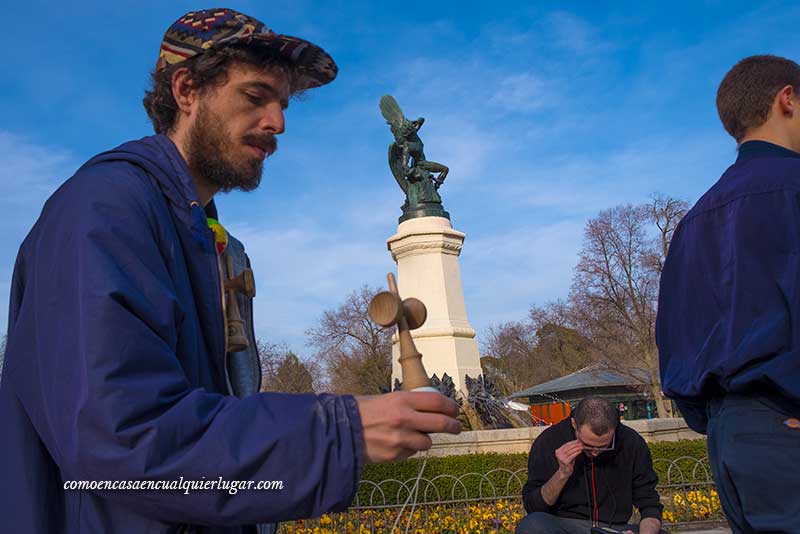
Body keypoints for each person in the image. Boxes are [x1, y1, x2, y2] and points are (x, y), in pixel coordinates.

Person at [0, 8, 461, 534]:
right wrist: (340, 431)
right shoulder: (103, 210)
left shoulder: (207, 237)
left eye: (283, 104)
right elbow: (122, 438)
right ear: (186, 91)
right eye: (255, 95)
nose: (278, 123)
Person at [657, 54, 800, 533]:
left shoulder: (692, 222)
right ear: (788, 100)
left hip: (731, 438)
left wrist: (722, 419)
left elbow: (673, 339)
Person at [517, 397, 663, 534]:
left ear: (615, 428)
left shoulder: (631, 442)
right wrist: (562, 474)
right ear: (574, 424)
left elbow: (650, 504)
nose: (595, 453)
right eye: (587, 445)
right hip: (566, 527)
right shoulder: (549, 441)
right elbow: (534, 507)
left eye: (604, 446)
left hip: (615, 528)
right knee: (532, 525)